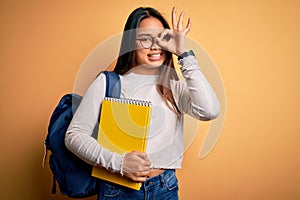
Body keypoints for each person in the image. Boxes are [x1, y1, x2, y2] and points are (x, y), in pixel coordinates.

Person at [65, 6, 220, 200]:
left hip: (165, 188)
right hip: (118, 189)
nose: (155, 47)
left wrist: (183, 54)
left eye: (161, 38)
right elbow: (74, 135)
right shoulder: (108, 82)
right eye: (145, 39)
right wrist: (119, 163)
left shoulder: (173, 88)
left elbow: (210, 110)